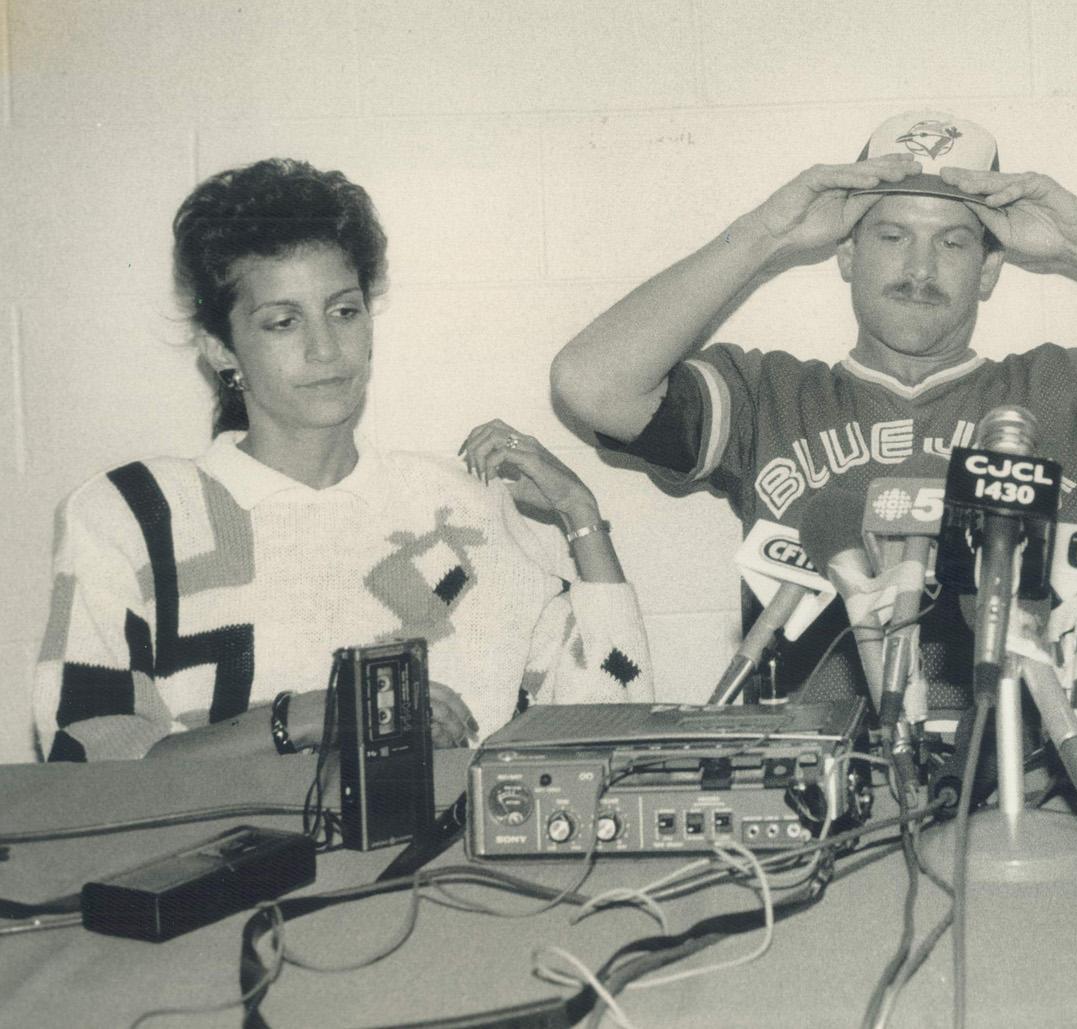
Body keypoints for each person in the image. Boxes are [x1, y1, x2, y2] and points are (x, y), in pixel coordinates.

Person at [551, 111, 1077, 701]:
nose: (918, 269)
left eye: (951, 243)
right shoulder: (768, 396)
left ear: (988, 271)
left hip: (1032, 779)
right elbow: (592, 385)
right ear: (844, 255)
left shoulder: (1065, 391)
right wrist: (764, 234)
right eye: (890, 236)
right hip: (818, 788)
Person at [34, 158, 653, 762]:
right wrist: (309, 717)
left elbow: (608, 728)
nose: (326, 348)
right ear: (221, 350)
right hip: (240, 866)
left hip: (452, 864)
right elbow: (87, 762)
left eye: (344, 311)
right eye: (283, 322)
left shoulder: (460, 505)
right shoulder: (134, 515)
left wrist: (581, 515)